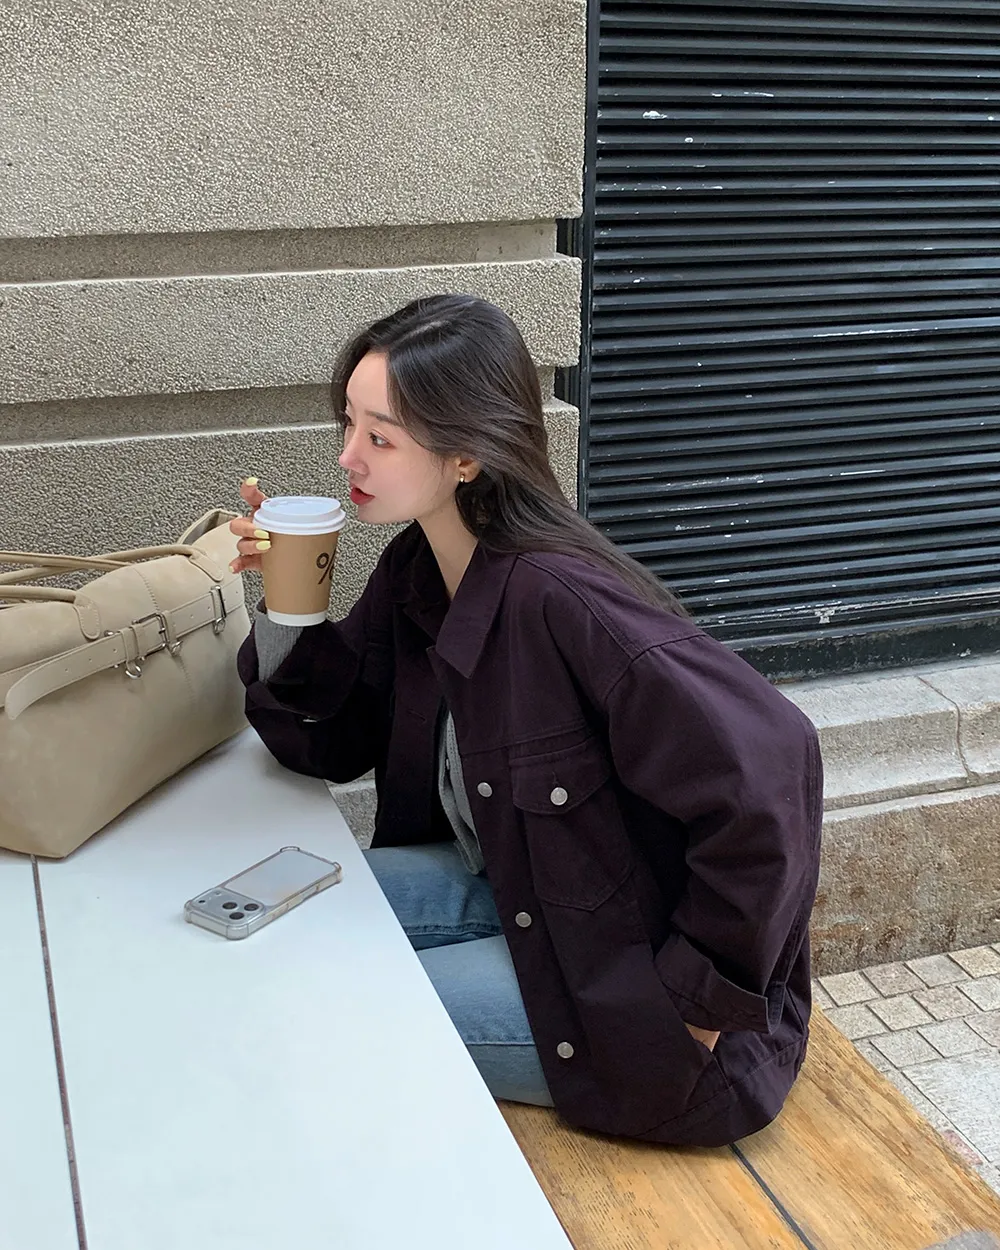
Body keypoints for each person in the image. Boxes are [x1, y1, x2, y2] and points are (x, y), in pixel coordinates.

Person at [231, 294, 823, 1147]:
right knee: (272, 921)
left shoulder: (562, 600)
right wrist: (289, 603)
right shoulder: (417, 570)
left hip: (629, 991)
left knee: (317, 1014)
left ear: (467, 454)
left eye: (380, 437)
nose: (347, 455)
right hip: (515, 890)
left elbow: (775, 764)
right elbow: (332, 740)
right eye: (349, 423)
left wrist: (697, 1003)